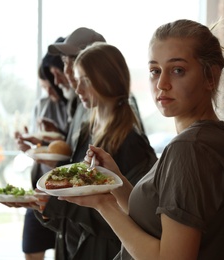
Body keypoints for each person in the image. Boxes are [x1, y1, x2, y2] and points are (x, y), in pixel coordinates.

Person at [61, 19, 224, 260]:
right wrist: (116, 182)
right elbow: (153, 224)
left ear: (211, 76)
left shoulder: (191, 148)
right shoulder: (201, 139)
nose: (162, 84)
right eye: (155, 71)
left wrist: (103, 205)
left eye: (178, 70)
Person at [34, 42, 157, 260]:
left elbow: (136, 218)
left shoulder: (132, 143)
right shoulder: (87, 130)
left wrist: (59, 205)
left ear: (106, 80)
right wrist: (45, 205)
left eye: (85, 82)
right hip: (75, 248)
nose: (78, 90)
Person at [11, 50, 69, 260]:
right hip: (41, 186)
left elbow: (70, 148)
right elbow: (40, 144)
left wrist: (51, 140)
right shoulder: (42, 105)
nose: (50, 90)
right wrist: (27, 143)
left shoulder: (75, 105)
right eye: (45, 86)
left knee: (65, 248)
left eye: (51, 84)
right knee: (31, 246)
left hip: (65, 192)